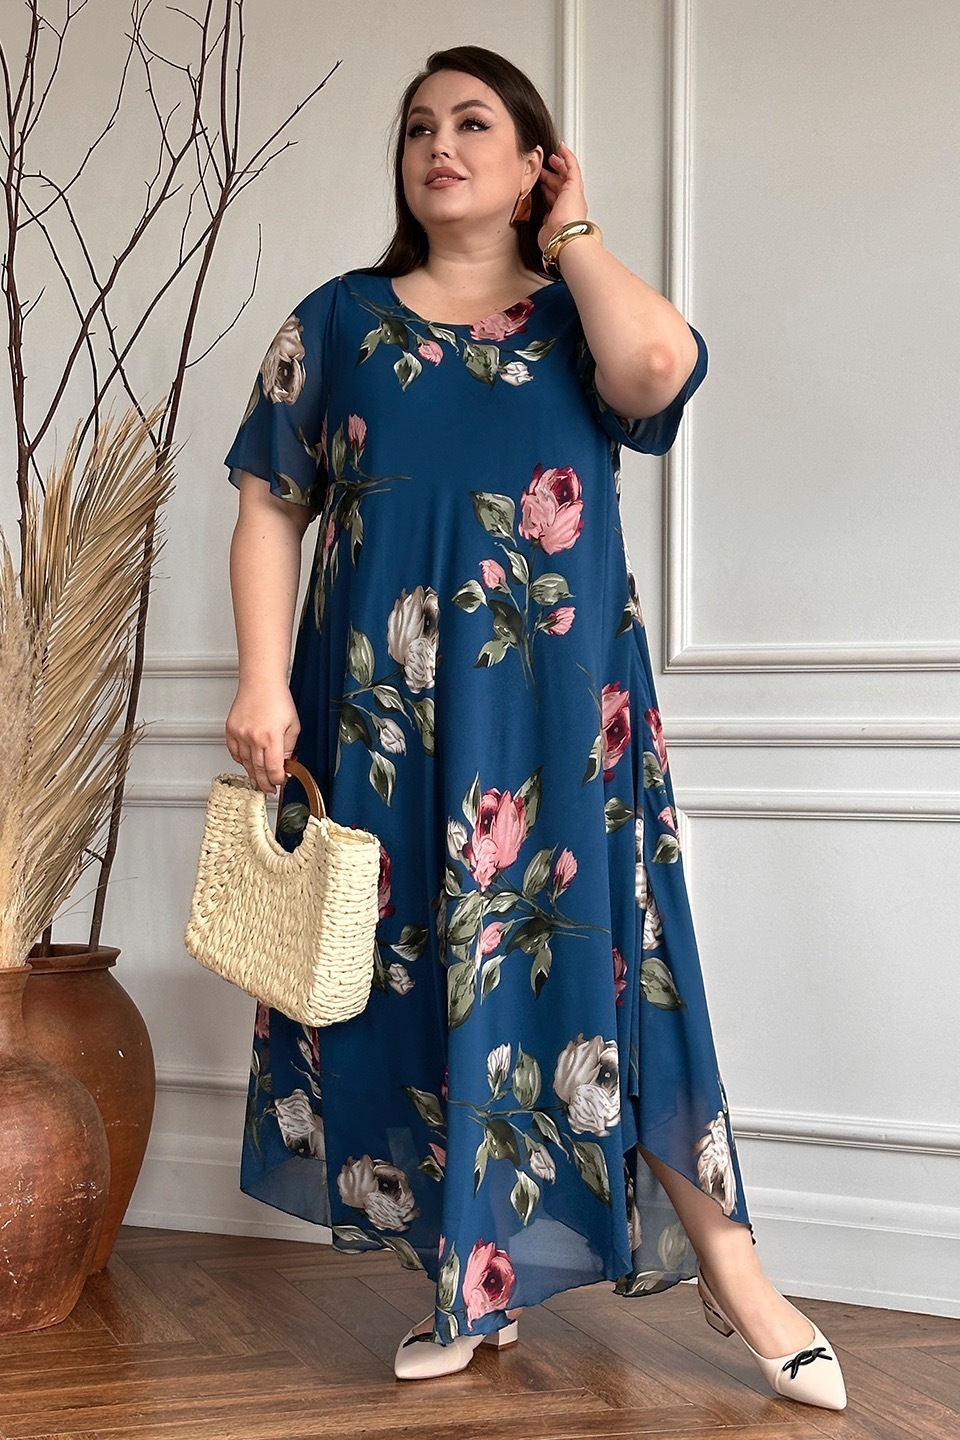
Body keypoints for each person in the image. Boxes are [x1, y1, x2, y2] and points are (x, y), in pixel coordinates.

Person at [222, 45, 846, 1407]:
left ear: (532, 163)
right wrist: (264, 682)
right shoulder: (337, 322)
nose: (438, 145)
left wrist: (574, 234)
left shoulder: (576, 316)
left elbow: (658, 368)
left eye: (472, 123)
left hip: (568, 729)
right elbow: (270, 505)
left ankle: (738, 1275)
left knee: (627, 978)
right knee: (416, 981)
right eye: (417, 128)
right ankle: (473, 1275)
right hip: (386, 724)